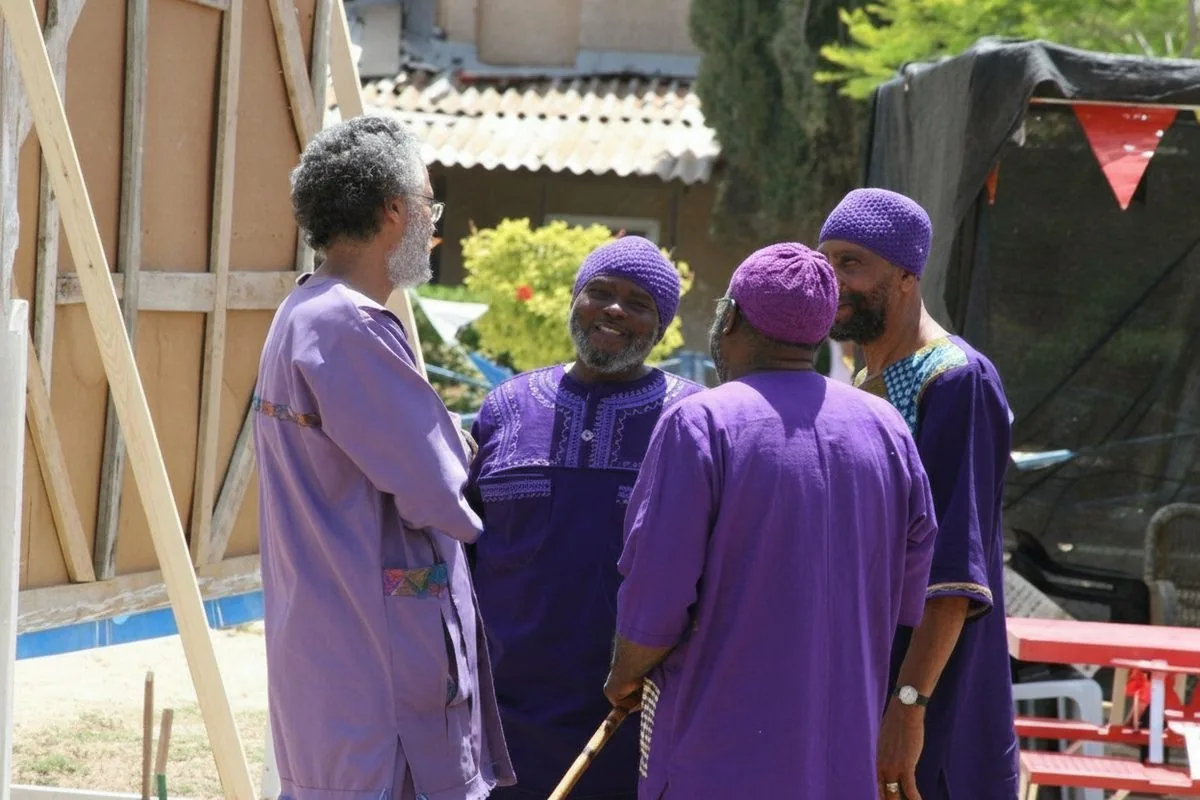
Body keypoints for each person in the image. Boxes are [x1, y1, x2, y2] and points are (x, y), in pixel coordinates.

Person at [604, 243, 938, 799]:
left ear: (730, 317)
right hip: (839, 761)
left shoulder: (702, 422)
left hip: (716, 759)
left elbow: (655, 597)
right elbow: (910, 593)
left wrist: (624, 673)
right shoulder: (886, 428)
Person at [254, 115, 514, 800]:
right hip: (373, 656)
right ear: (395, 209)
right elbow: (439, 489)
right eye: (431, 204)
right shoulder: (349, 325)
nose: (437, 227)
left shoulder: (305, 310)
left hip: (333, 641)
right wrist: (464, 450)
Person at [467, 236, 703, 799]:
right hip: (502, 720)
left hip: (630, 717)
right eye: (599, 292)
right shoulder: (505, 407)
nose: (614, 309)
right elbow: (463, 547)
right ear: (574, 301)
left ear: (662, 326)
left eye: (638, 302)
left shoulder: (693, 419)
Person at [819, 187, 1020, 799]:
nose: (834, 279)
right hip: (867, 678)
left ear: (907, 275)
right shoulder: (862, 378)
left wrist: (909, 707)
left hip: (936, 697)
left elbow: (954, 570)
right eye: (826, 261)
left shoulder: (955, 380)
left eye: (852, 263)